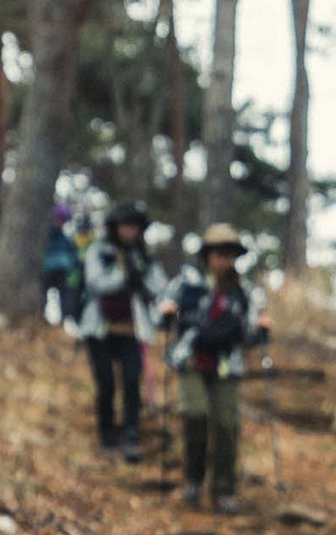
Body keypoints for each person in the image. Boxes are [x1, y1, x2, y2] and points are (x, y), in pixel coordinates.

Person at [164, 223, 270, 514]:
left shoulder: (246, 292)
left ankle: (223, 489)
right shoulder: (187, 283)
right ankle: (193, 480)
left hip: (227, 363)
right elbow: (164, 308)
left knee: (226, 425)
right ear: (207, 254)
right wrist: (168, 314)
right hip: (191, 358)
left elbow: (249, 333)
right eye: (219, 253)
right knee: (195, 415)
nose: (225, 260)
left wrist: (260, 330)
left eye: (230, 254)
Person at [78, 201, 171, 463]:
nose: (130, 231)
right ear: (115, 227)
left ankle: (131, 435)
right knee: (105, 383)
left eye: (134, 227)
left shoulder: (144, 257)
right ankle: (107, 435)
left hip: (133, 330)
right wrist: (123, 278)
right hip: (99, 329)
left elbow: (159, 287)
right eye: (125, 226)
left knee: (132, 382)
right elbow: (94, 282)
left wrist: (140, 279)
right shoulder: (100, 251)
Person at [41, 202, 82, 325]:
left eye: (63, 220)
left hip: (63, 273)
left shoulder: (66, 240)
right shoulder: (45, 235)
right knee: (44, 296)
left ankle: (64, 321)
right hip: (46, 272)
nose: (61, 223)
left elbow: (73, 256)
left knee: (66, 297)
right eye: (59, 219)